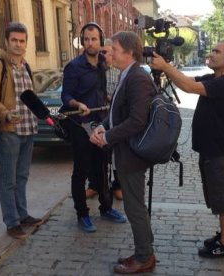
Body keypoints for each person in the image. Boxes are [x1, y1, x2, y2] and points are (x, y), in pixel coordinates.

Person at [150, 39, 224, 258]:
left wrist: (164, 66)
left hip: (220, 152)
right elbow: (187, 81)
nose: (212, 54)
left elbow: (190, 87)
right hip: (210, 151)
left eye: (217, 51)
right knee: (217, 198)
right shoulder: (214, 78)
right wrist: (167, 70)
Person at [90, 31, 156, 274]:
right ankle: (145, 251)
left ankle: (144, 258)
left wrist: (107, 137)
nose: (109, 53)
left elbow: (137, 121)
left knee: (134, 207)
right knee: (133, 206)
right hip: (125, 152)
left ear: (129, 52)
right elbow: (118, 112)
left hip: (133, 156)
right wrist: (102, 125)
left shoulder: (137, 77)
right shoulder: (126, 75)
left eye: (114, 49)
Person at [61, 22, 126, 233]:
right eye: (87, 39)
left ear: (100, 41)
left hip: (100, 123)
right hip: (81, 126)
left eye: (94, 39)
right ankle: (82, 214)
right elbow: (66, 95)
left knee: (102, 168)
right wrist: (78, 104)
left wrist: (108, 98)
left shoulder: (102, 64)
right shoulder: (74, 66)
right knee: (81, 171)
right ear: (82, 41)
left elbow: (100, 90)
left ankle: (106, 208)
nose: (90, 43)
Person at [0, 22, 42, 239]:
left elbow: (31, 98)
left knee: (22, 176)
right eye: (14, 40)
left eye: (22, 41)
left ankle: (23, 214)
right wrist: (5, 113)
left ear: (26, 43)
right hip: (8, 130)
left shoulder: (26, 66)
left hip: (29, 129)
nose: (18, 44)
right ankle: (12, 222)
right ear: (6, 42)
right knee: (8, 179)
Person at [85, 38, 123, 200]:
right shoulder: (93, 71)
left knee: (116, 154)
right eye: (101, 52)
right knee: (95, 154)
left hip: (114, 120)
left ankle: (117, 186)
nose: (104, 56)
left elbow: (120, 98)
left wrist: (108, 98)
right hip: (97, 119)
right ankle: (94, 185)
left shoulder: (119, 72)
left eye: (106, 52)